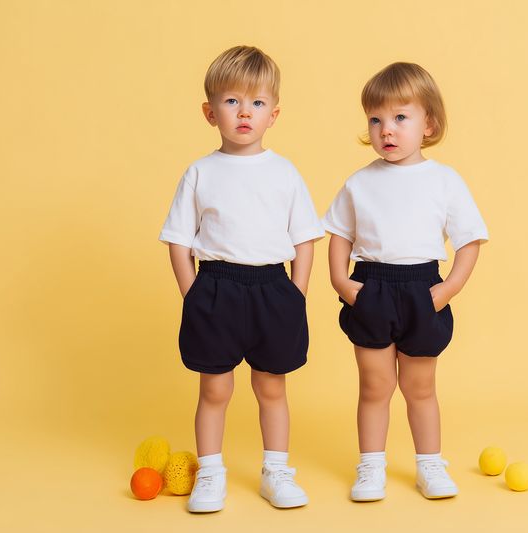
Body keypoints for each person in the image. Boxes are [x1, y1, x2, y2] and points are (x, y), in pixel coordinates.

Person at [159, 45, 324, 512]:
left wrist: (297, 293)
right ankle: (210, 474)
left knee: (272, 385)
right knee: (215, 387)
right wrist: (193, 294)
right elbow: (178, 238)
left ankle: (276, 472)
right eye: (232, 102)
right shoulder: (200, 172)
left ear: (274, 113)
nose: (244, 113)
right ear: (210, 113)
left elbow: (305, 238)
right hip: (215, 287)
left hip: (274, 288)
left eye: (256, 103)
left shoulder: (285, 173)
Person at [322, 62, 489, 501]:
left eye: (400, 117)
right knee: (375, 384)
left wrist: (447, 289)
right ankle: (370, 467)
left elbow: (470, 240)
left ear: (428, 123)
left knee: (420, 386)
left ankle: (430, 464)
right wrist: (342, 281)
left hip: (423, 290)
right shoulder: (360, 182)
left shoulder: (444, 181)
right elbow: (339, 233)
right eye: (376, 120)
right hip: (371, 287)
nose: (386, 130)